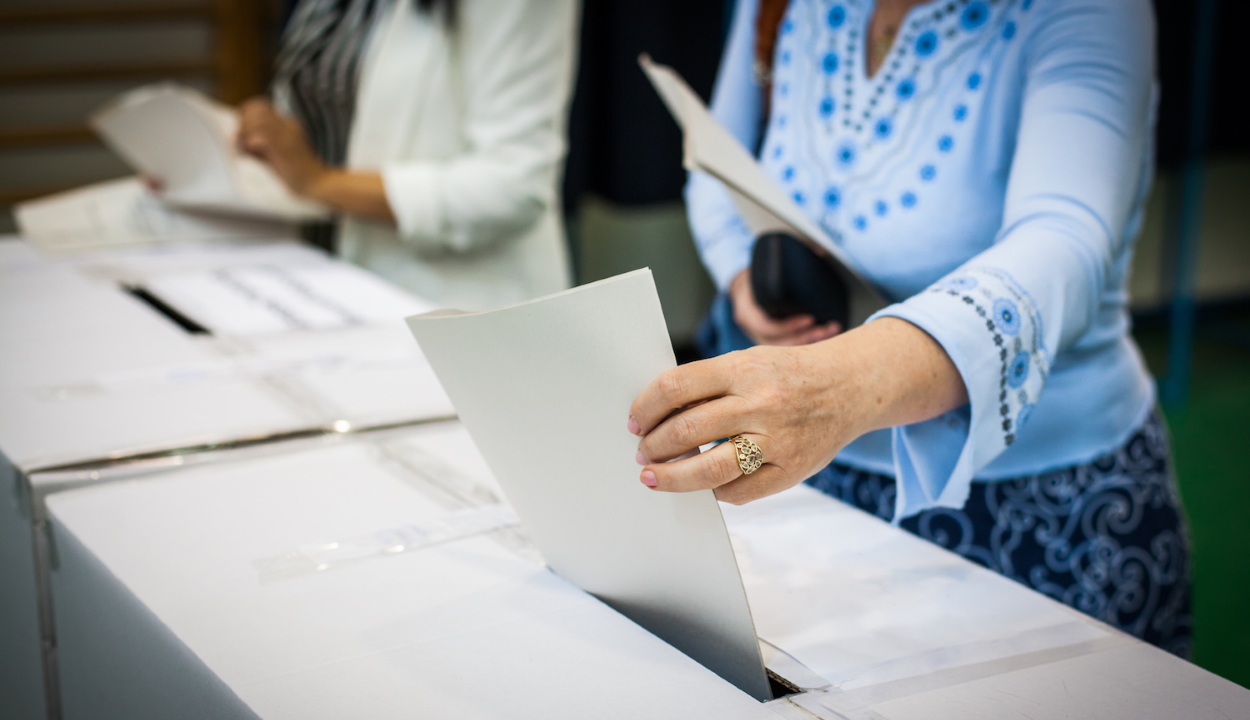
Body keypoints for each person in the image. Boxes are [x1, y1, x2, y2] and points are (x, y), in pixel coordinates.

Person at [629, 0, 1190, 655]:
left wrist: (836, 387)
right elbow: (716, 158)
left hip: (1038, 503)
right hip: (814, 482)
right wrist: (744, 282)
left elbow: (1064, 240)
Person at [234, 0, 578, 310]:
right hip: (322, 279)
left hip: (453, 303)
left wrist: (319, 181)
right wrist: (273, 131)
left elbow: (514, 187)